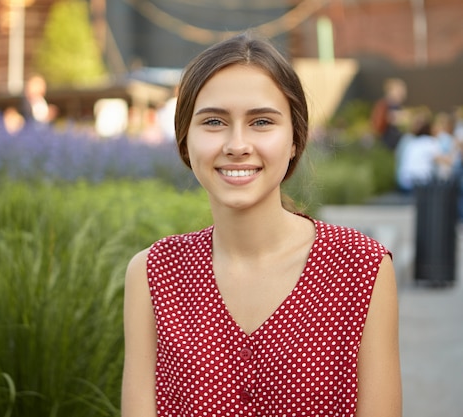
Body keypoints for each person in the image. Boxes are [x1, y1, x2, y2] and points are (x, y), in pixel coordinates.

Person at [121, 31, 401, 417]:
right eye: (215, 121)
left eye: (262, 121)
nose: (237, 144)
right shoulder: (153, 274)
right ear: (185, 140)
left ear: (294, 140)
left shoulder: (361, 268)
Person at [371, 78, 407, 151]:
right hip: (388, 142)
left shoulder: (396, 106)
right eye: (398, 90)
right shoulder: (388, 105)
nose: (402, 93)